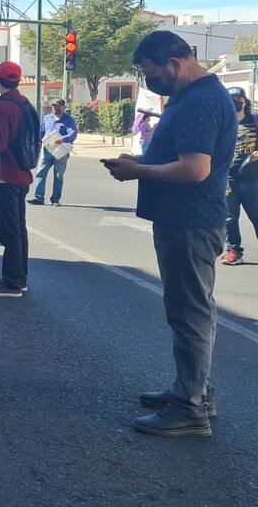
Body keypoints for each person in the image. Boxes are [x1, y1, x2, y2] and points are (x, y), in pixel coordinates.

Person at [103, 30, 235, 438]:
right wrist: (141, 160)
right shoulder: (191, 97)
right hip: (186, 220)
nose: (148, 82)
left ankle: (190, 408)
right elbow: (178, 157)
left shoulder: (199, 100)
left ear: (175, 64)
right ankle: (192, 390)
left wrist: (139, 170)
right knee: (189, 310)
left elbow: (195, 169)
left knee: (189, 313)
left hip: (190, 222)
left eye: (150, 73)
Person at [0, 61, 35, 297]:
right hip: (22, 174)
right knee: (19, 230)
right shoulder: (24, 102)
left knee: (8, 232)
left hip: (5, 176)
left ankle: (12, 282)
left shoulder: (2, 107)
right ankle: (20, 277)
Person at [222, 87, 257, 266]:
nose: (236, 101)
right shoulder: (223, 123)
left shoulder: (255, 121)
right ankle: (234, 251)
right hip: (229, 179)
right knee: (229, 218)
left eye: (239, 98)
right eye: (232, 98)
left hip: (253, 178)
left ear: (245, 101)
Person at [31, 98, 77, 206]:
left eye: (59, 106)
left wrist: (63, 139)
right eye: (54, 106)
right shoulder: (47, 118)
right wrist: (37, 143)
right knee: (40, 173)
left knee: (58, 175)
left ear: (64, 107)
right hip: (47, 150)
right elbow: (41, 132)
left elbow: (73, 133)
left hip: (61, 151)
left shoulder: (69, 120)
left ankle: (55, 199)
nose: (56, 108)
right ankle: (39, 197)